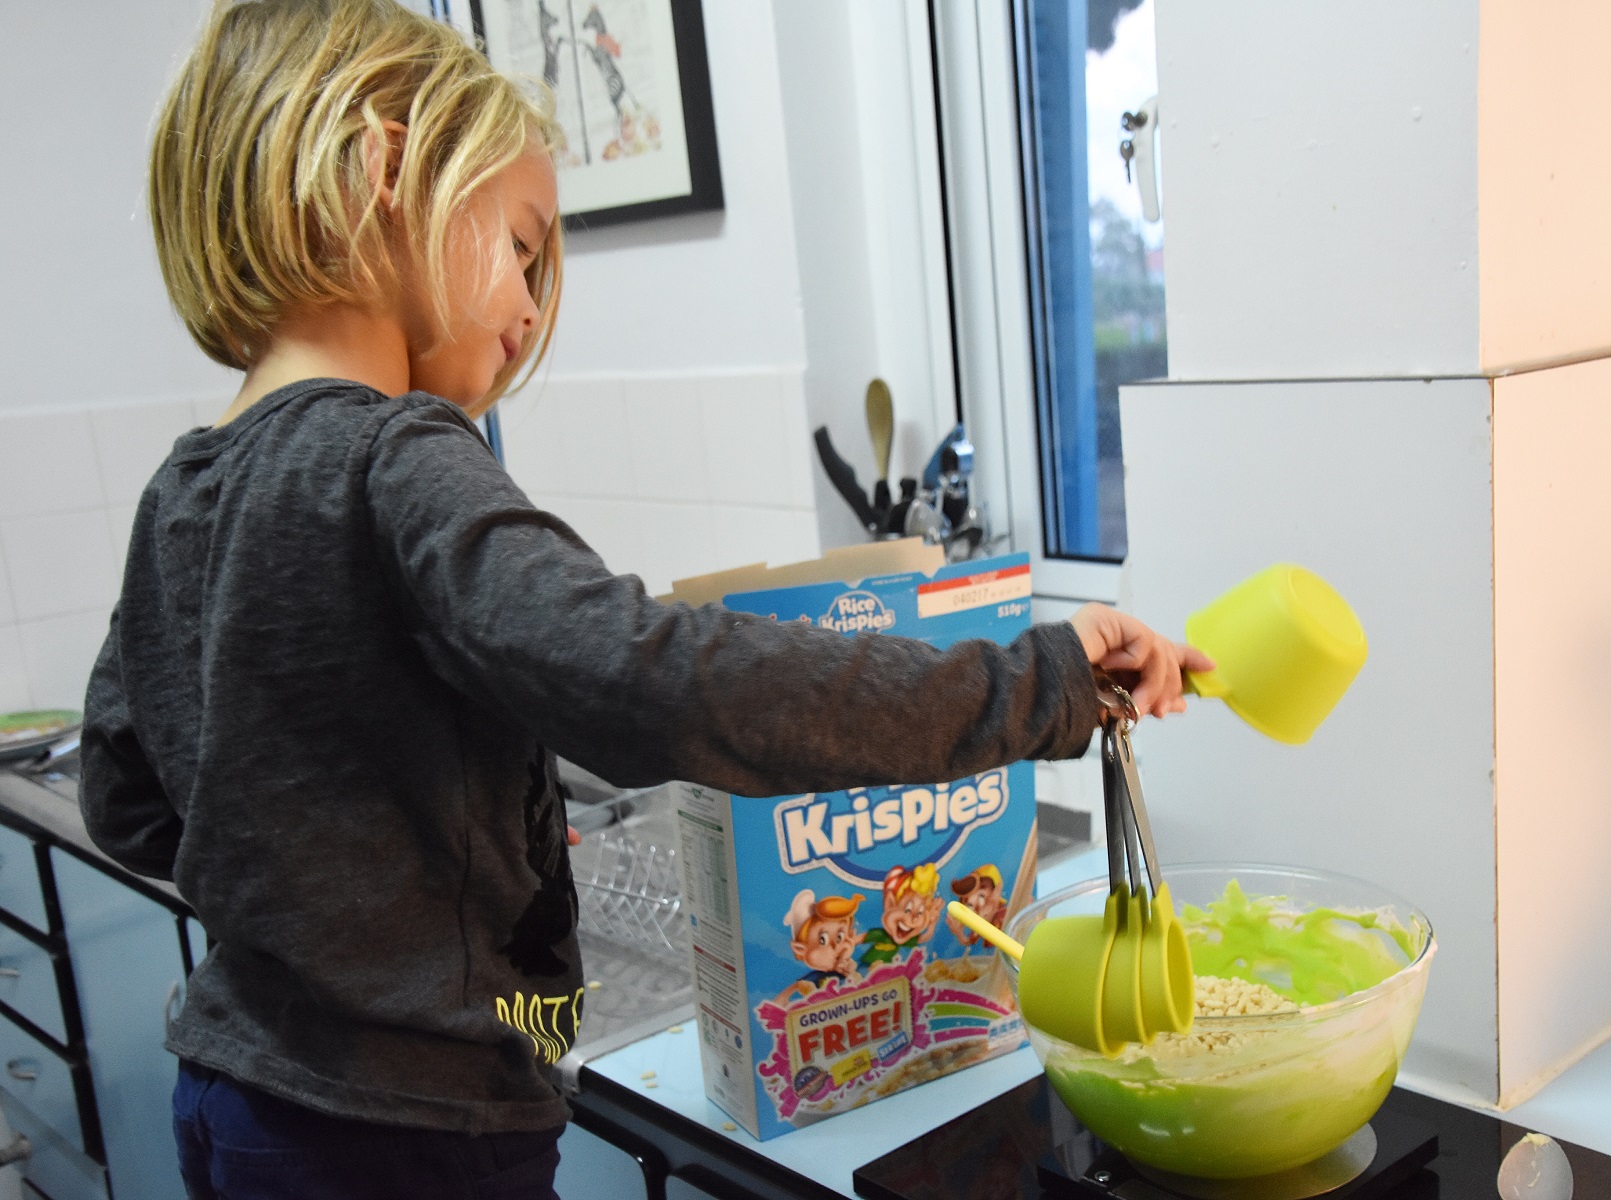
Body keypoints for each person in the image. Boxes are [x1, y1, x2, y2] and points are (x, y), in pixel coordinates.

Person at [80, 2, 1209, 1197]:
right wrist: (1045, 680)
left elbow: (130, 799)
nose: (527, 311)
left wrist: (404, 842)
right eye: (520, 245)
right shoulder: (393, 454)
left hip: (234, 1095)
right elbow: (652, 681)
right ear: (385, 167)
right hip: (411, 1136)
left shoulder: (183, 488)